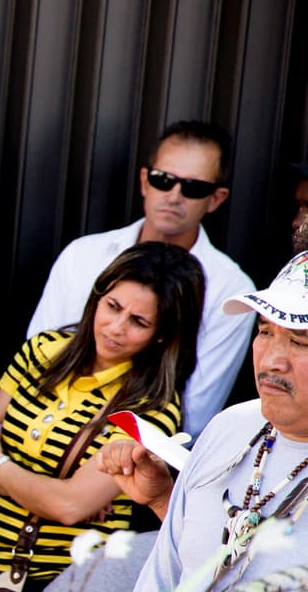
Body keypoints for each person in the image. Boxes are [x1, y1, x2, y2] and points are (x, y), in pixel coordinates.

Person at [0, 242, 204, 592]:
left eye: (139, 322)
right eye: (112, 307)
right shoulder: (42, 350)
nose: (116, 328)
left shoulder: (151, 409)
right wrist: (50, 494)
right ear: (97, 297)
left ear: (163, 334)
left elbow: (69, 506)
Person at [117, 250, 308, 592]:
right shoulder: (230, 427)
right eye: (265, 331)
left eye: (299, 341)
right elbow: (157, 588)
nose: (273, 360)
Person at [28, 120, 254, 436]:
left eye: (193, 187)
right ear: (145, 181)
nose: (174, 196)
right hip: (35, 433)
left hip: (135, 456)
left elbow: (195, 414)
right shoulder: (83, 255)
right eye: (164, 180)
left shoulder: (232, 290)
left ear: (215, 198)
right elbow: (39, 360)